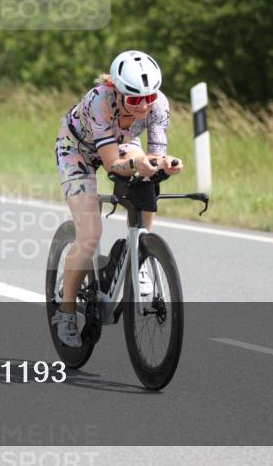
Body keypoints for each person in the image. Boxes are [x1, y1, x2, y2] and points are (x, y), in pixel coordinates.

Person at [52, 50, 182, 347]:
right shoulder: (100, 100)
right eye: (135, 100)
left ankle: (141, 255)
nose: (143, 107)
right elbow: (112, 164)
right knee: (90, 233)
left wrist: (164, 164)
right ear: (117, 90)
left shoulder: (157, 104)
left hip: (122, 143)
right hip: (78, 149)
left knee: (149, 176)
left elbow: (155, 155)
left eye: (149, 98)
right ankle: (66, 310)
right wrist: (138, 163)